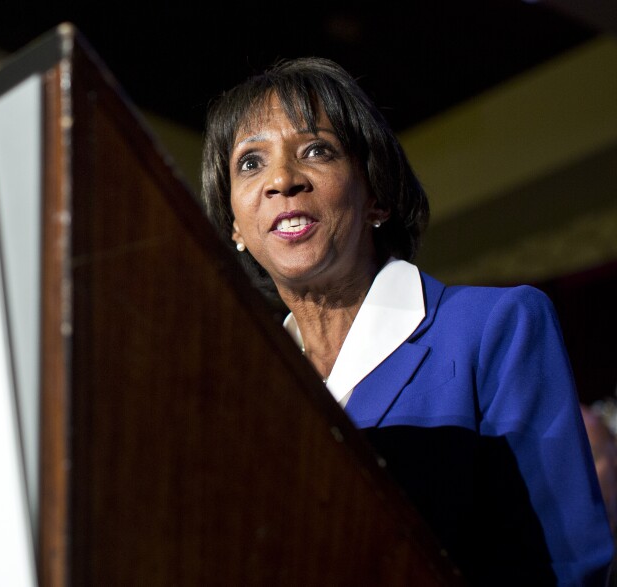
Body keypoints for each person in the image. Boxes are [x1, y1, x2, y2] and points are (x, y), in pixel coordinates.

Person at [201, 57, 613, 585]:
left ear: (374, 194)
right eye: (250, 163)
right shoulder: (245, 394)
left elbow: (566, 567)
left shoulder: (494, 329)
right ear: (235, 224)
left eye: (316, 150)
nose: (282, 179)